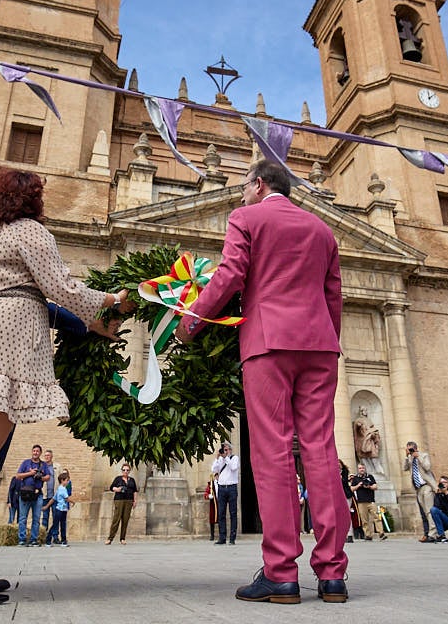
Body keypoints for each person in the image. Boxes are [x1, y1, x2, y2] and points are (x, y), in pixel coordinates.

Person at [0, 167, 127, 606]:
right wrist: (110, 301)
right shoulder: (29, 231)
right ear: (29, 199)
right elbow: (60, 287)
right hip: (3, 335)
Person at [175, 160, 348, 605]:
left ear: (258, 185)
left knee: (272, 451)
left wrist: (191, 321)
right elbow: (333, 295)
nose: (240, 196)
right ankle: (332, 575)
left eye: (243, 188)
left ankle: (281, 573)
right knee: (321, 450)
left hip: (269, 343)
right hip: (320, 346)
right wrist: (326, 340)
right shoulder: (322, 230)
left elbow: (231, 276)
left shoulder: (246, 217)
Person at [14, 444, 50, 547]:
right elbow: (18, 475)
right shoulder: (25, 463)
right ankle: (22, 539)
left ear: (40, 453)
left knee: (36, 518)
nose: (35, 453)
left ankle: (34, 539)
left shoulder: (43, 465)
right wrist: (30, 473)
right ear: (32, 452)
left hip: (37, 494)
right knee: (22, 518)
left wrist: (40, 477)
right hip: (25, 494)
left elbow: (48, 477)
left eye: (37, 451)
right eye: (34, 451)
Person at [404, 441, 438, 543]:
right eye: (408, 449)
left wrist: (418, 456)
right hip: (418, 488)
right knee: (424, 512)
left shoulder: (424, 455)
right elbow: (404, 468)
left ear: (415, 448)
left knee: (429, 511)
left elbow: (427, 467)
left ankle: (433, 534)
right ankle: (429, 533)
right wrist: (407, 457)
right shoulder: (410, 459)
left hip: (426, 486)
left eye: (411, 449)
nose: (410, 451)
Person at [211, 442, 240, 545]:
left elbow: (233, 467)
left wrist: (226, 457)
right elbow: (214, 470)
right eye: (224, 450)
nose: (226, 452)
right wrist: (217, 458)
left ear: (230, 450)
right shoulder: (221, 460)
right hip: (222, 488)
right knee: (221, 513)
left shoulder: (234, 458)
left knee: (233, 513)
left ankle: (232, 538)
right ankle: (222, 538)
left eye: (227, 450)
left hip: (232, 488)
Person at [349, 465, 386, 540]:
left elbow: (375, 487)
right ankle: (368, 535)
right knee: (364, 519)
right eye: (360, 468)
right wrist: (358, 485)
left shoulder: (370, 476)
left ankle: (381, 533)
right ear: (358, 469)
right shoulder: (356, 478)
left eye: (362, 468)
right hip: (361, 502)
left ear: (365, 468)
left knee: (376, 517)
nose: (361, 469)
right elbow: (352, 489)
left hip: (371, 500)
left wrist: (369, 486)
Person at [105, 463, 138, 544]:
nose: (125, 471)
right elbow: (111, 487)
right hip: (119, 500)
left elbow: (135, 491)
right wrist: (117, 489)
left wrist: (135, 501)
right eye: (124, 470)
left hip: (129, 501)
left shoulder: (132, 480)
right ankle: (110, 538)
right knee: (116, 519)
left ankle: (122, 538)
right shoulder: (118, 479)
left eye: (127, 470)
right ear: (122, 470)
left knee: (125, 520)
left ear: (129, 471)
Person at [43, 470, 71, 546]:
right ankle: (51, 540)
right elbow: (66, 498)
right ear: (62, 481)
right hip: (61, 509)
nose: (68, 482)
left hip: (62, 509)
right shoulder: (62, 489)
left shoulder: (59, 489)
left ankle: (62, 540)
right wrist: (73, 502)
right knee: (59, 525)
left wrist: (46, 506)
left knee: (60, 524)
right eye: (67, 480)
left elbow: (53, 499)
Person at [40, 448, 59, 531]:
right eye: (45, 455)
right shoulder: (41, 467)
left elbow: (62, 479)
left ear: (52, 456)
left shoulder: (57, 467)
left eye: (48, 455)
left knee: (55, 516)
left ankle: (55, 536)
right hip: (44, 496)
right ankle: (44, 535)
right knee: (45, 517)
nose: (47, 457)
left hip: (55, 496)